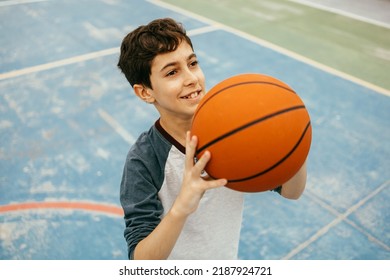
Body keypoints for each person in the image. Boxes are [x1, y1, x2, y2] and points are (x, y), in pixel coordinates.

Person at [117, 18, 307, 260]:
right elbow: (140, 261)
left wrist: (296, 142)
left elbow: (292, 192)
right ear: (145, 92)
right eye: (172, 72)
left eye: (193, 63)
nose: (191, 78)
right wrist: (181, 208)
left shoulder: (235, 130)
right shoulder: (145, 159)